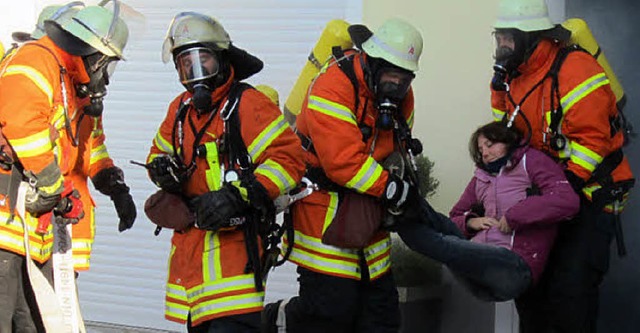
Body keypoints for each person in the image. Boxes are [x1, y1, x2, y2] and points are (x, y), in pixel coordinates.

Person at [262, 18, 423, 333]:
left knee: (383, 319)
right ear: (372, 62)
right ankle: (278, 320)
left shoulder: (404, 95)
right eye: (390, 76)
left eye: (403, 78)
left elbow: (398, 148)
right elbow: (343, 163)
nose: (396, 85)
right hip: (323, 214)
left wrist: (399, 187)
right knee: (329, 315)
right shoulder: (331, 86)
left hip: (369, 220)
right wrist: (393, 190)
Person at [146, 12, 304, 332]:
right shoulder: (180, 109)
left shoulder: (248, 104)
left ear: (222, 59)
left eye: (203, 60)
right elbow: (157, 153)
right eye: (186, 64)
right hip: (193, 253)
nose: (196, 71)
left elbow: (289, 160)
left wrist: (239, 194)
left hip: (235, 256)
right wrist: (161, 170)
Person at [489, 0, 635, 331]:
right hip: (543, 200)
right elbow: (504, 131)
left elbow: (592, 142)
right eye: (498, 37)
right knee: (531, 294)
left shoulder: (574, 68)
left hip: (587, 197)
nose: (501, 46)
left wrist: (557, 192)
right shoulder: (510, 76)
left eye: (507, 38)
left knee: (570, 297)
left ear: (530, 36)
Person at [0, 3, 130, 331]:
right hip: (8, 222)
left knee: (35, 322)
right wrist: (49, 180)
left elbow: (89, 147)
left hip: (36, 233)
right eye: (107, 65)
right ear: (94, 54)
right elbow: (20, 120)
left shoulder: (72, 87)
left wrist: (112, 183)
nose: (106, 78)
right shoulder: (36, 60)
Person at [395, 122, 579, 303]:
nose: (484, 152)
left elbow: (566, 201)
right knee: (439, 225)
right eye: (481, 149)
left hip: (514, 267)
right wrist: (469, 222)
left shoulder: (530, 160)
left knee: (443, 245)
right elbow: (455, 216)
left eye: (490, 145)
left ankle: (397, 214)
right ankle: (397, 203)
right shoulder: (481, 177)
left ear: (508, 140)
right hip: (481, 269)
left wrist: (515, 215)